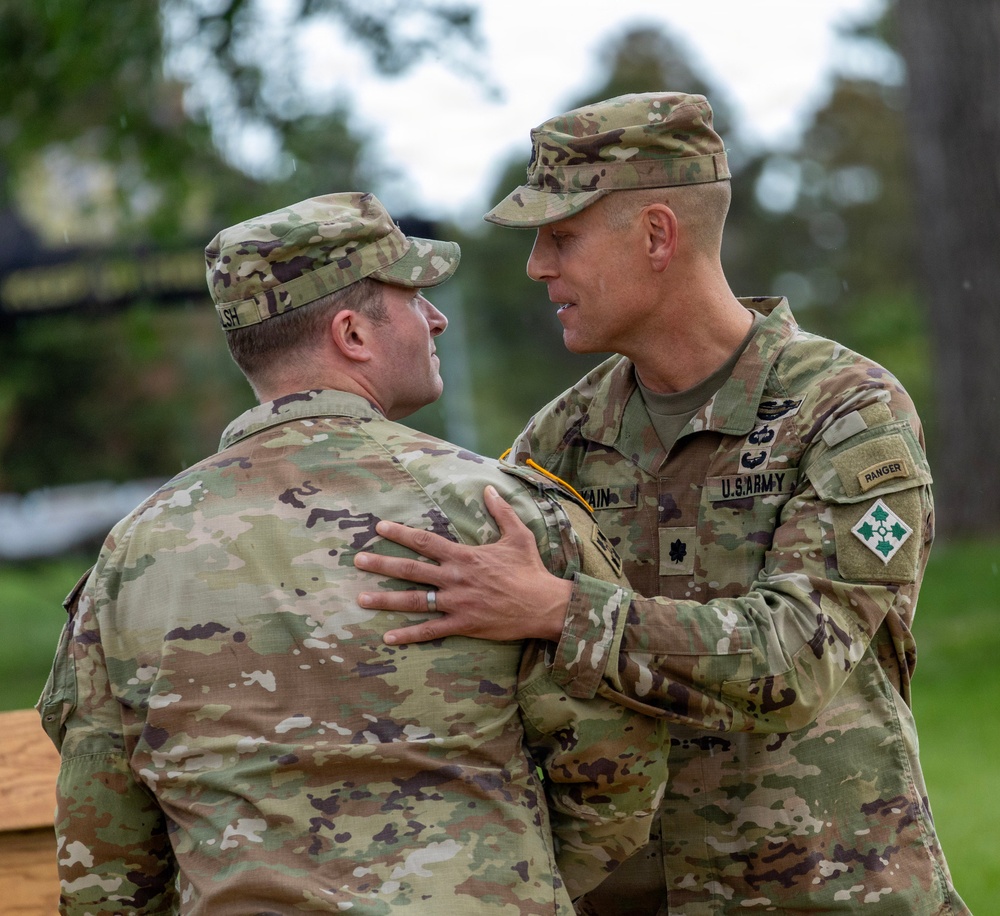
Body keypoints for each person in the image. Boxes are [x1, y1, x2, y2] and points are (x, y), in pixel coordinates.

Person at [352, 94, 971, 914]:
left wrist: (560, 611)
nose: (538, 266)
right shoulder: (559, 440)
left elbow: (796, 659)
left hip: (833, 892)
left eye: (561, 236)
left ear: (655, 236)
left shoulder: (845, 412)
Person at [36, 191, 668, 915]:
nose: (437, 318)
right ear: (353, 335)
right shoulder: (502, 514)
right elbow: (622, 765)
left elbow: (103, 857)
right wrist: (499, 882)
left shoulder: (133, 555)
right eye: (414, 297)